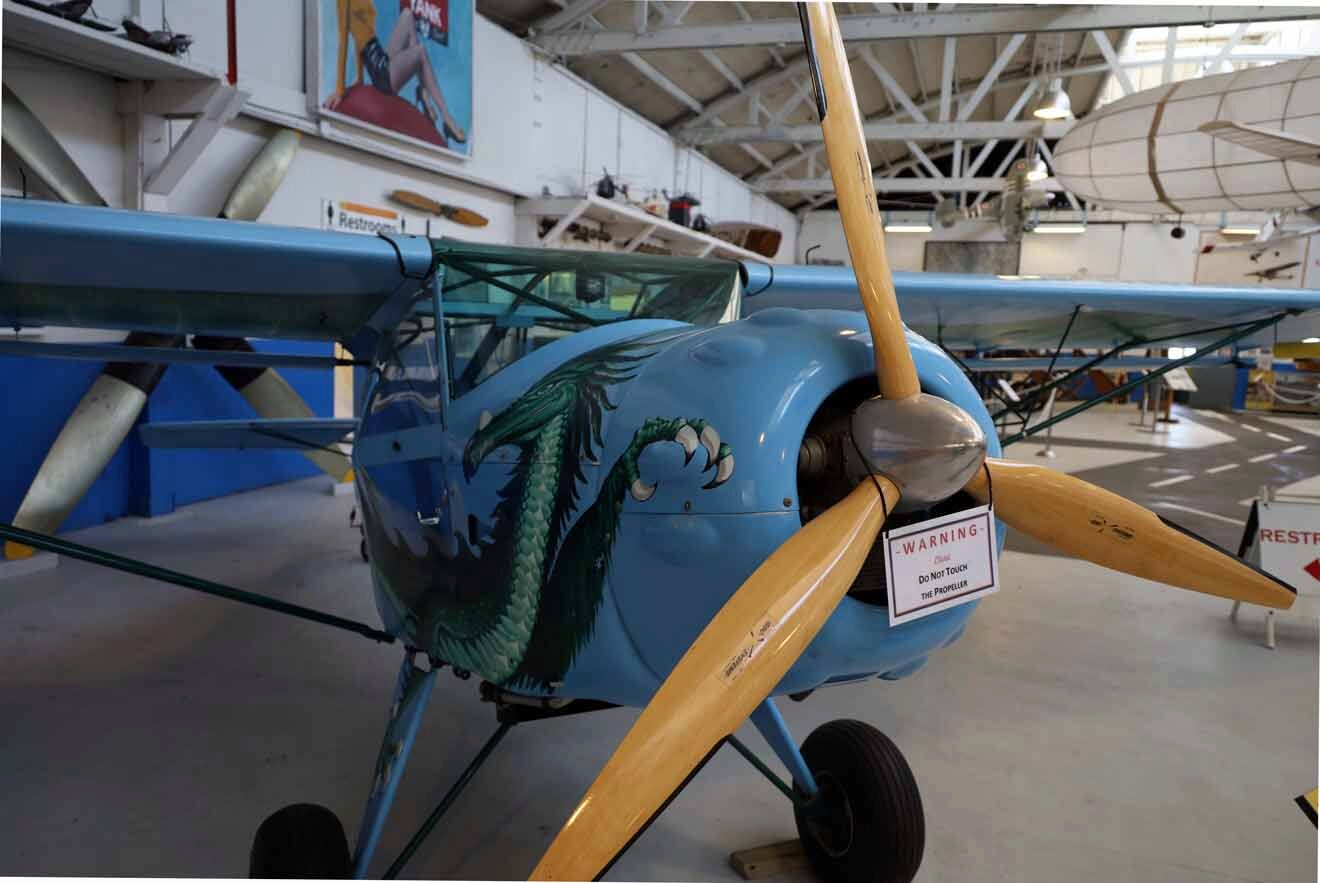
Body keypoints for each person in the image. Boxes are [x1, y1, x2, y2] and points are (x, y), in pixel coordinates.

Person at [324, 0, 466, 144]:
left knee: (407, 15)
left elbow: (360, 42)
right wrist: (340, 89)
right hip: (381, 74)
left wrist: (360, 79)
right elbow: (344, 40)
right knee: (420, 52)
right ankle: (448, 120)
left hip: (381, 57)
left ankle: (424, 94)